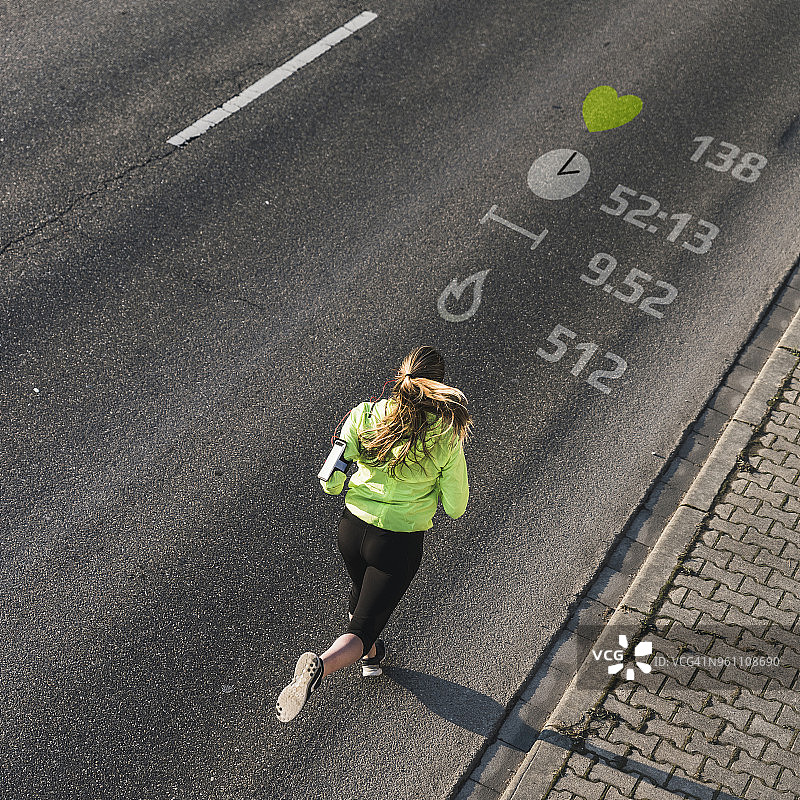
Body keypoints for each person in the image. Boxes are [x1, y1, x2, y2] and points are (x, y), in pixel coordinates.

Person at [276, 345, 472, 723]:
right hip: (397, 544)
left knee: (361, 594)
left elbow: (329, 478)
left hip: (351, 531)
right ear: (439, 386)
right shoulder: (446, 437)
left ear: (402, 376)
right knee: (363, 629)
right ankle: (321, 664)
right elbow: (456, 507)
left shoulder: (364, 415)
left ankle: (371, 659)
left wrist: (345, 487)